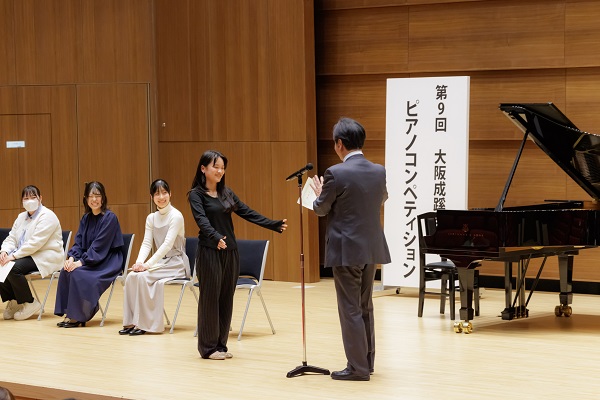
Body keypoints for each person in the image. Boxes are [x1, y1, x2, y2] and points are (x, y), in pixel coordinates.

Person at [310, 117, 391, 381]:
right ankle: (366, 362)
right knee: (365, 306)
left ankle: (357, 368)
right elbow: (382, 198)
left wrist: (319, 194)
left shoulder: (336, 173)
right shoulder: (379, 170)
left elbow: (321, 209)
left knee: (350, 309)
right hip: (371, 248)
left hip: (346, 251)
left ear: (339, 144)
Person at [189, 150, 288, 360]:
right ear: (203, 168)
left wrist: (272, 224)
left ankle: (220, 345)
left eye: (222, 168)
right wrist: (215, 236)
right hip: (210, 251)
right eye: (216, 167)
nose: (220, 171)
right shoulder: (196, 195)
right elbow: (201, 220)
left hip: (231, 252)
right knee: (210, 299)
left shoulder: (226, 193)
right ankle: (208, 348)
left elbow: (247, 212)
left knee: (226, 299)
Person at [120, 179, 190, 336]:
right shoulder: (151, 218)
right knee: (132, 276)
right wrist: (139, 263)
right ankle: (131, 322)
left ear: (170, 194)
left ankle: (147, 324)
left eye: (164, 193)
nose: (161, 197)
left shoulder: (176, 216)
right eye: (157, 194)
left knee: (143, 277)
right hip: (161, 262)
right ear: (152, 197)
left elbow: (167, 245)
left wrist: (147, 265)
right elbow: (146, 243)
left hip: (177, 263)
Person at [54, 181, 124, 328]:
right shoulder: (86, 218)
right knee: (66, 271)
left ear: (103, 198)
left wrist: (80, 263)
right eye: (91, 196)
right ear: (86, 199)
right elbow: (79, 242)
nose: (94, 199)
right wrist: (71, 258)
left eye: (97, 196)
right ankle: (71, 313)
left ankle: (80, 314)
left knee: (78, 274)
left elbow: (99, 246)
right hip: (91, 258)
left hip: (108, 260)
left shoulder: (110, 218)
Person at [0, 185, 64, 321]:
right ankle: (14, 301)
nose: (30, 201)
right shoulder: (21, 217)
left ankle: (29, 302)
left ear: (40, 198)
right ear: (22, 201)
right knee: (1, 264)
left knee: (13, 268)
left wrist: (13, 256)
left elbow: (35, 243)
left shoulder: (47, 216)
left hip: (45, 255)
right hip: (26, 255)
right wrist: (4, 251)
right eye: (26, 198)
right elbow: (12, 238)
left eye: (33, 197)